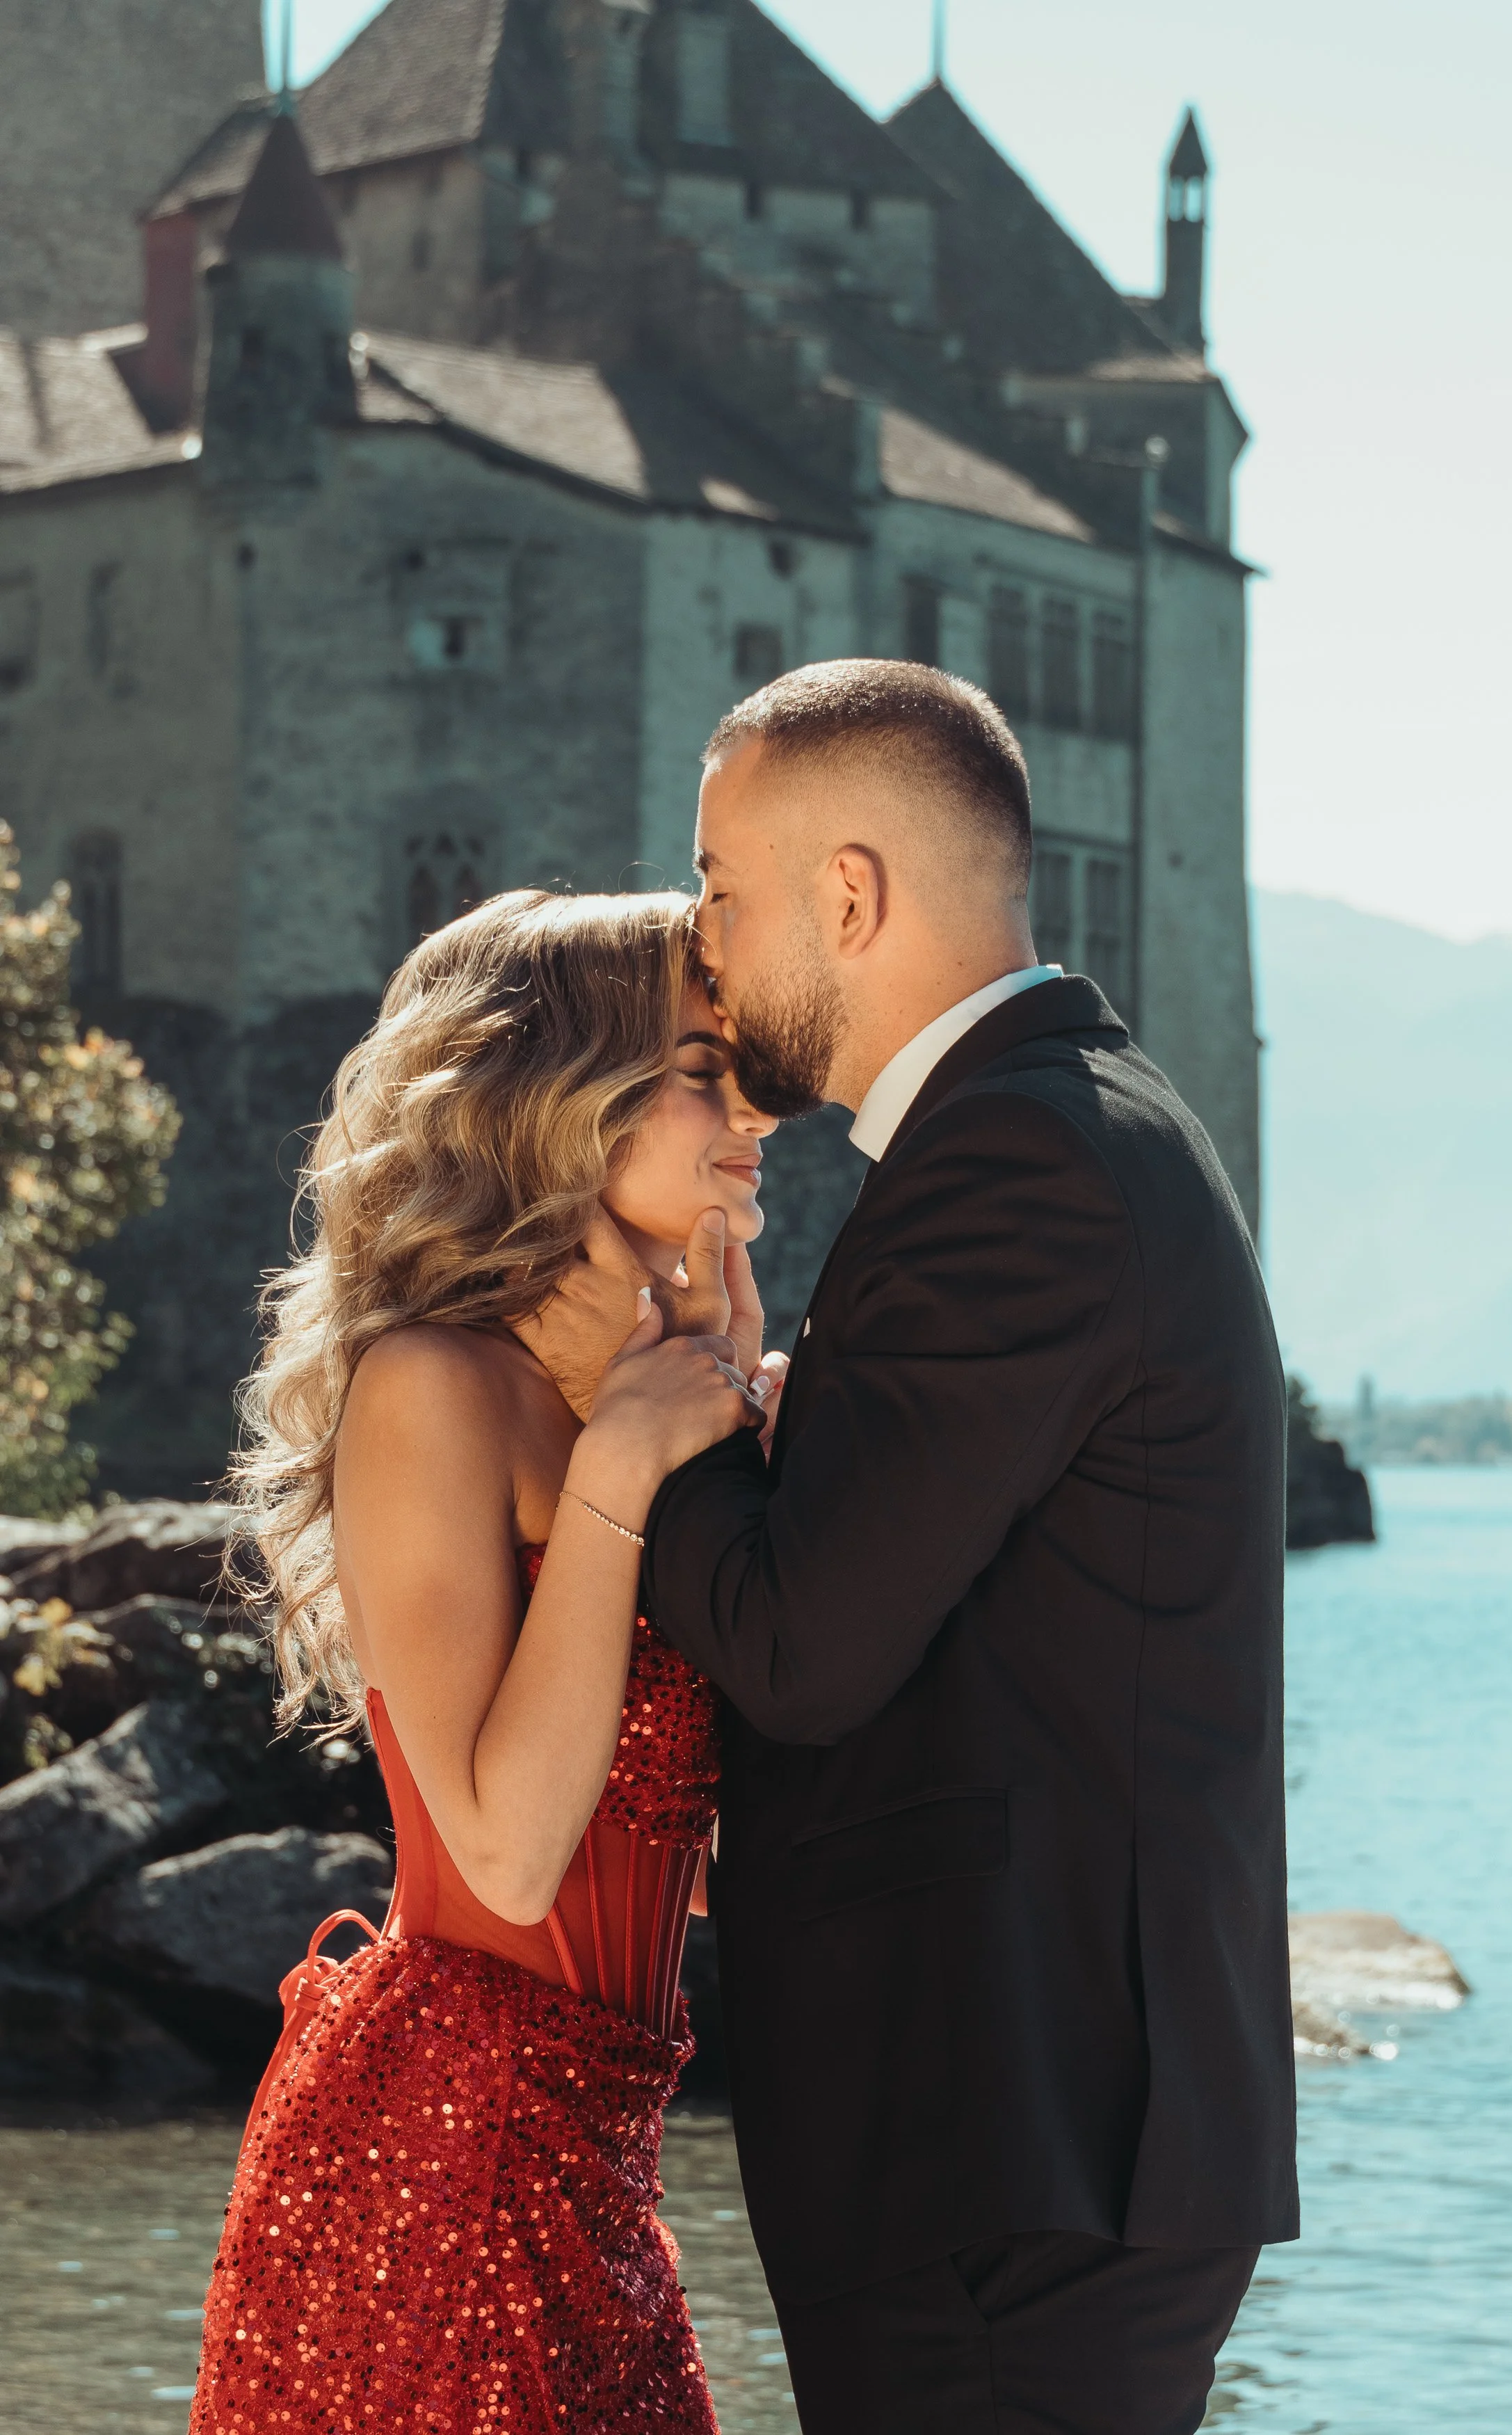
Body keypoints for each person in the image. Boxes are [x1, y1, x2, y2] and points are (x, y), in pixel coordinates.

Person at [539, 660, 1299, 2435]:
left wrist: (647, 1410)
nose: (706, 950)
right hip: (1041, 2138)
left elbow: (801, 1641)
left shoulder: (1017, 1160)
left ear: (850, 895)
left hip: (1010, 2144)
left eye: (721, 890)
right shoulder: (1065, 1125)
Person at [189, 890, 774, 2435]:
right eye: (702, 1067)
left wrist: (726, 1441)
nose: (753, 1110)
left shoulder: (642, 1408)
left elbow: (701, 1850)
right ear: (561, 1104)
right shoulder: (433, 1388)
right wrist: (630, 1460)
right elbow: (510, 1854)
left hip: (593, 2150)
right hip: (444, 2150)